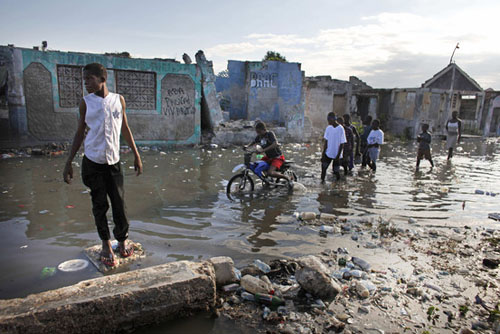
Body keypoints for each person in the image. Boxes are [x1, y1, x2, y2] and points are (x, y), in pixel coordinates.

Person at [63, 63, 143, 267]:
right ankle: (106, 244)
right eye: (85, 79)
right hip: (93, 161)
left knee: (119, 204)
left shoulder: (118, 100)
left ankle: (122, 239)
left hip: (113, 162)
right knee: (99, 204)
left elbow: (125, 128)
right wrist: (69, 162)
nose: (86, 83)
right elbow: (80, 132)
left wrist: (136, 154)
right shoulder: (86, 103)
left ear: (102, 79)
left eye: (90, 78)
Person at [245, 121, 292, 188]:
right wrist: (247, 146)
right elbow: (254, 142)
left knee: (270, 172)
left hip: (277, 157)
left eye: (259, 132)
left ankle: (287, 178)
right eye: (257, 132)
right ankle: (267, 180)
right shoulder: (260, 136)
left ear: (264, 129)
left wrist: (263, 150)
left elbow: (275, 144)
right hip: (269, 157)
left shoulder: (270, 134)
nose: (258, 134)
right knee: (258, 165)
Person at [321, 112, 347, 182]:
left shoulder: (341, 129)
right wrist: (323, 153)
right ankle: (322, 182)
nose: (328, 121)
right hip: (328, 153)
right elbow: (326, 142)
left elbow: (342, 143)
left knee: (336, 171)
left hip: (337, 154)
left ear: (333, 119)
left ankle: (338, 183)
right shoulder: (328, 128)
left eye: (329, 120)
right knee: (323, 168)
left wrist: (338, 156)